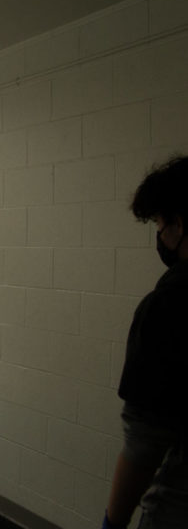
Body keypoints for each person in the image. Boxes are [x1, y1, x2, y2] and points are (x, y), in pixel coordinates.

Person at [103, 156, 188, 529]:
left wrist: (113, 523)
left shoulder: (169, 307)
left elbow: (143, 445)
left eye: (159, 223)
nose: (160, 235)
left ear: (179, 224)